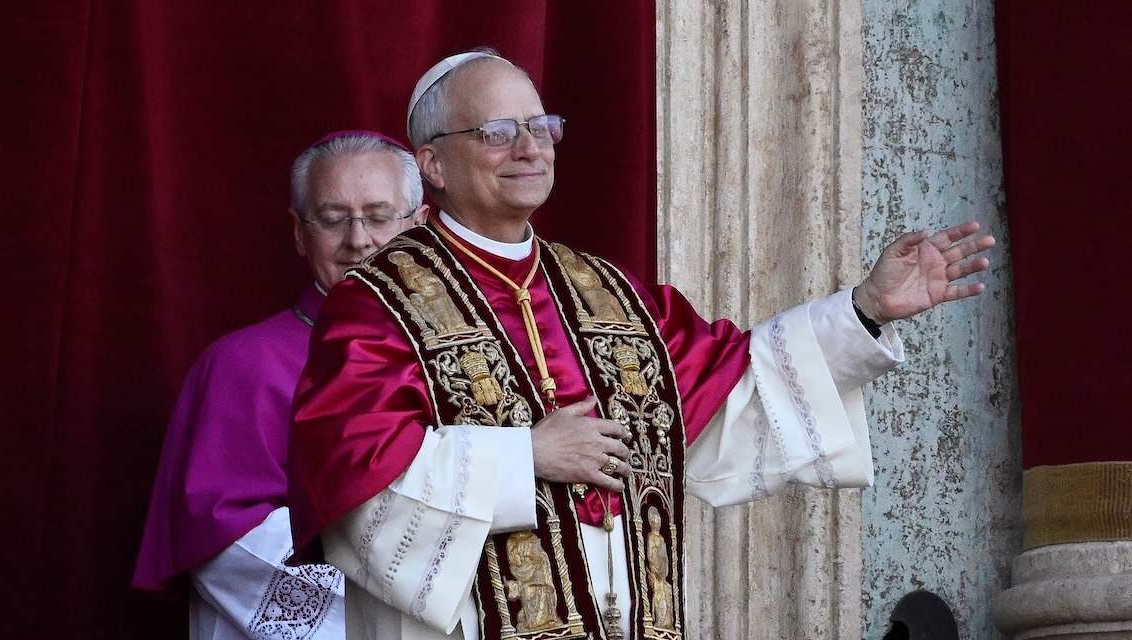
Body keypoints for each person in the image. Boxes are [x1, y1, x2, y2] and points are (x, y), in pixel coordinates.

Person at [287, 51, 996, 640]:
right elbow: (357, 483)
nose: (530, 149)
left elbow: (733, 392)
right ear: (433, 164)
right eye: (499, 131)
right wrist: (523, 457)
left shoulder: (609, 292)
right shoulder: (378, 303)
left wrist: (867, 308)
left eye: (542, 127)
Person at [132, 130, 428, 639]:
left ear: (420, 228)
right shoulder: (239, 366)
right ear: (299, 233)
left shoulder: (465, 355)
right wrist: (416, 599)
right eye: (333, 219)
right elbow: (228, 541)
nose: (358, 240)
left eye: (380, 217)